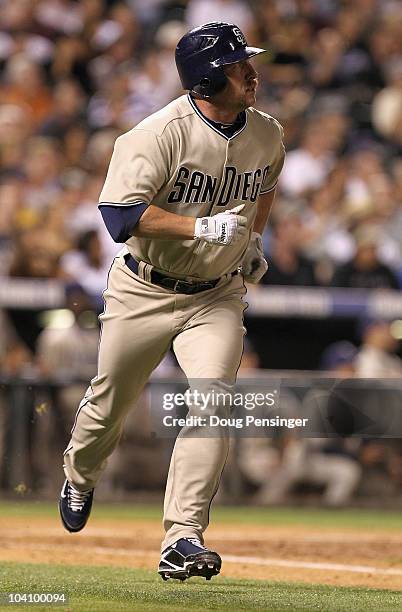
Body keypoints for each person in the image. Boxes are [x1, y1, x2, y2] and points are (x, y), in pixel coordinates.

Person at [59, 22, 285, 582]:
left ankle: (182, 536)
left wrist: (253, 238)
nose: (251, 72)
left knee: (213, 400)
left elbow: (265, 184)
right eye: (238, 66)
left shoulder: (267, 133)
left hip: (216, 295)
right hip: (144, 288)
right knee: (110, 402)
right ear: (209, 78)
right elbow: (118, 217)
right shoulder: (156, 133)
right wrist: (197, 228)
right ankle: (79, 474)